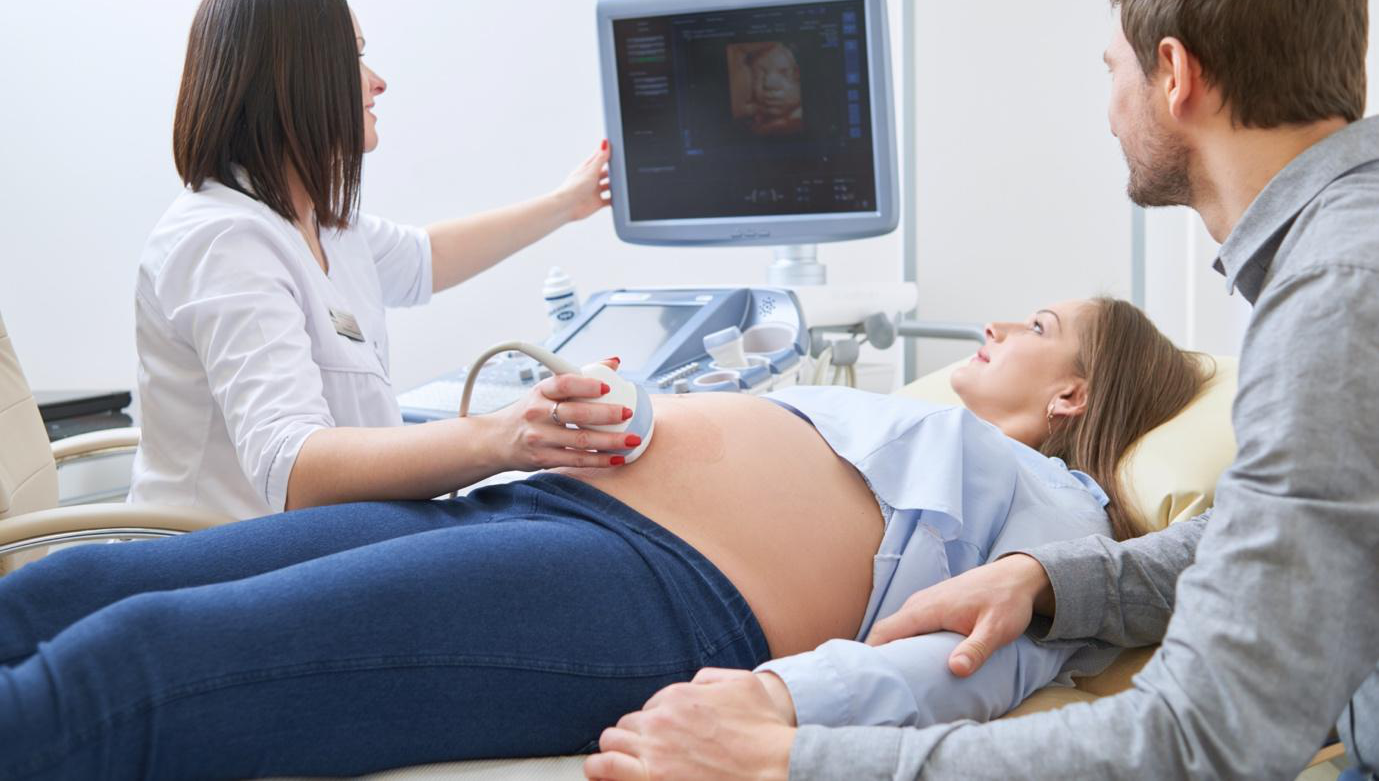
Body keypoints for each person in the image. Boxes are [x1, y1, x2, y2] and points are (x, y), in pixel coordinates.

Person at [586, 0, 1379, 781]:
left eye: (1109, 69)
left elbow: (1200, 739)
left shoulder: (1336, 293)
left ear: (1172, 73)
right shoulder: (1337, 259)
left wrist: (793, 760)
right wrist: (1050, 582)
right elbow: (1274, 539)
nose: (1109, 111)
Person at [0, 298, 1205, 778]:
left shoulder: (1066, 522)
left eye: (1037, 322)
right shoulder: (898, 409)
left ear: (1069, 397)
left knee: (146, 657)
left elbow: (959, 668)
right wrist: (623, 416)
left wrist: (774, 708)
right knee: (78, 584)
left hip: (654, 586)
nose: (999, 320)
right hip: (545, 500)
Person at [130, 0, 632, 520]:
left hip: (333, 540)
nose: (377, 81)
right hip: (229, 570)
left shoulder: (320, 223)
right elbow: (291, 466)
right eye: (354, 58)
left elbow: (426, 258)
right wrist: (504, 435)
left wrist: (566, 204)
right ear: (292, 81)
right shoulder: (222, 241)